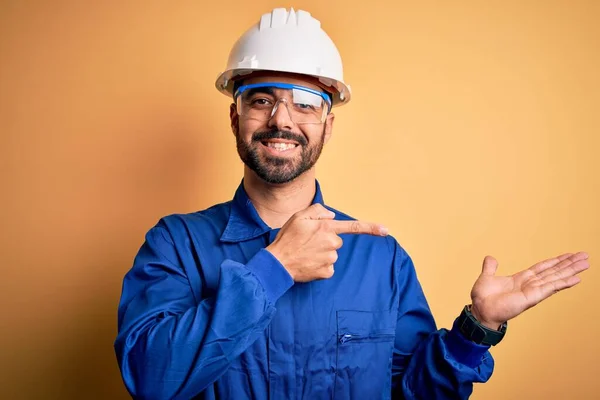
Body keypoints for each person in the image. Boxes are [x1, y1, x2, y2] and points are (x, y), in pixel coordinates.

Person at [114, 8, 590, 400]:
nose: (281, 119)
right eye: (260, 99)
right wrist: (273, 268)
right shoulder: (175, 245)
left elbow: (415, 395)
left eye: (305, 103)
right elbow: (152, 380)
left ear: (327, 126)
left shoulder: (381, 260)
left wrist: (477, 328)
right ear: (235, 116)